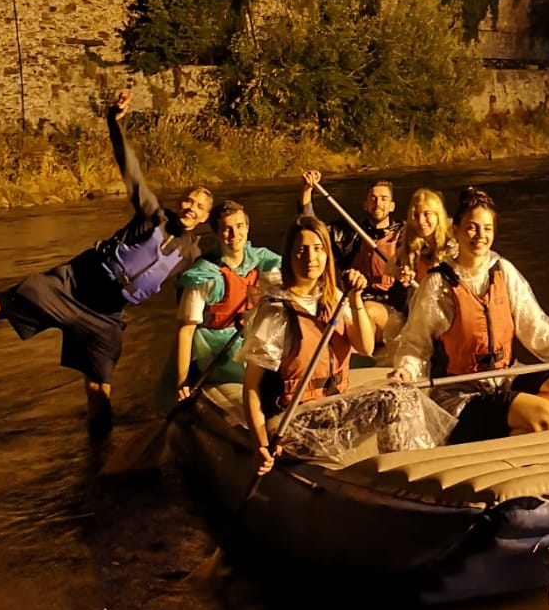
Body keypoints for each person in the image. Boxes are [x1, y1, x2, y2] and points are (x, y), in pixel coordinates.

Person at [0, 89, 213, 435]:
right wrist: (114, 124)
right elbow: (130, 170)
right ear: (181, 201)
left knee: (100, 391)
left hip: (107, 315)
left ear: (204, 219)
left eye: (199, 207)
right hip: (70, 284)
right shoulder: (152, 215)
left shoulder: (193, 255)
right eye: (189, 200)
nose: (190, 208)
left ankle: (98, 463)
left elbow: (223, 272)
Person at [391, 186, 549, 444]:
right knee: (547, 416)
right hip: (462, 394)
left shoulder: (503, 271)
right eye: (472, 227)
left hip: (503, 380)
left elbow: (538, 329)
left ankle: (508, 432)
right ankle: (517, 428)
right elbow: (416, 344)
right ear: (455, 231)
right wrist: (406, 371)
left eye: (487, 228)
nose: (480, 236)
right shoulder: (438, 285)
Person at [239, 215, 374, 475]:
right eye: (301, 250)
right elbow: (252, 387)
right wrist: (261, 445)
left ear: (327, 254)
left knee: (397, 398)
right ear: (289, 257)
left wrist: (356, 298)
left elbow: (366, 348)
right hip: (295, 418)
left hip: (334, 405)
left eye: (318, 249)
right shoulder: (276, 311)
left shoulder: (336, 296)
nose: (311, 258)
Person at [172, 199, 282, 399]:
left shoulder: (262, 260)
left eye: (239, 226)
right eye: (226, 229)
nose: (234, 234)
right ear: (216, 233)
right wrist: (182, 382)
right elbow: (186, 331)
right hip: (219, 351)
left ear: (247, 227)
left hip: (250, 338)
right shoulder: (204, 276)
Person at [297, 169, 404, 339]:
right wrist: (307, 191)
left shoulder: (404, 236)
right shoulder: (349, 235)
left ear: (392, 206)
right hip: (351, 303)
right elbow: (311, 228)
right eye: (373, 198)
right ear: (365, 205)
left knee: (368, 310)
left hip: (391, 310)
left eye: (384, 199)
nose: (378, 203)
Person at [394, 187, 454, 290]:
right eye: (416, 216)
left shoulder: (453, 245)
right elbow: (389, 267)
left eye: (427, 214)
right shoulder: (410, 247)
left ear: (438, 215)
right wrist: (401, 274)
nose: (421, 221)